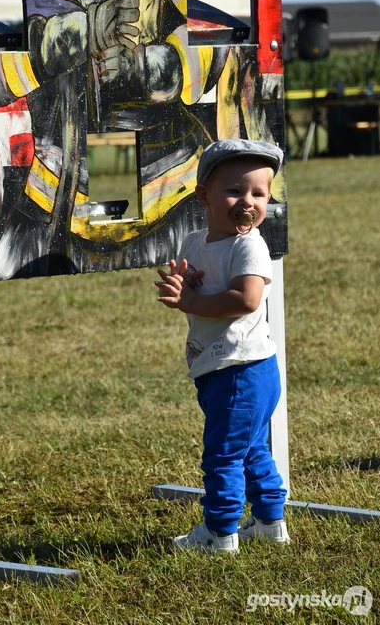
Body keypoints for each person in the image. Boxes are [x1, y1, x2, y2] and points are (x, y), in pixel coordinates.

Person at [155, 138, 289, 553]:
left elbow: (246, 299)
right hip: (220, 367)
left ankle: (219, 533)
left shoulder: (250, 244)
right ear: (203, 195)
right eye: (234, 190)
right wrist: (186, 285)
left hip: (243, 370)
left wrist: (194, 303)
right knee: (249, 451)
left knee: (222, 457)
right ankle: (269, 525)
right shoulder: (196, 242)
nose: (247, 201)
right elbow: (203, 281)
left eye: (258, 193)